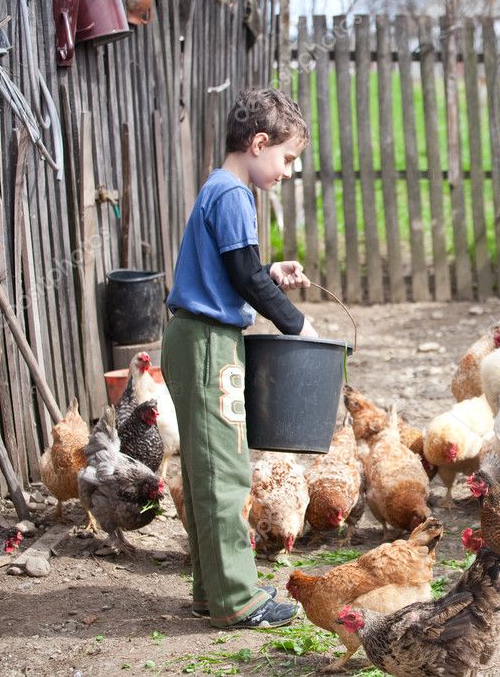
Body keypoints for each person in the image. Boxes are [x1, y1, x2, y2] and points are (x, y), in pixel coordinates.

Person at [162, 87, 317, 628]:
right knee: (226, 472)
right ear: (257, 143)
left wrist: (267, 273)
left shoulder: (218, 188)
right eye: (288, 158)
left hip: (199, 337)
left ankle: (211, 589)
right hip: (207, 342)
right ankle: (239, 599)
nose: (288, 171)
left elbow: (236, 271)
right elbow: (242, 275)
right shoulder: (233, 195)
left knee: (208, 470)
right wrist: (297, 323)